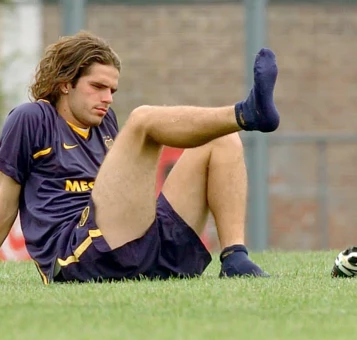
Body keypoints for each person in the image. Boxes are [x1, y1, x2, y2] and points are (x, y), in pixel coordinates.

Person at [0, 31, 280, 284]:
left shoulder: (104, 121)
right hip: (76, 255)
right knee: (142, 120)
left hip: (132, 248)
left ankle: (234, 258)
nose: (108, 98)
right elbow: (5, 201)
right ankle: (246, 113)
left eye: (112, 90)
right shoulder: (32, 118)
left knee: (222, 137)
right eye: (97, 87)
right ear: (64, 84)